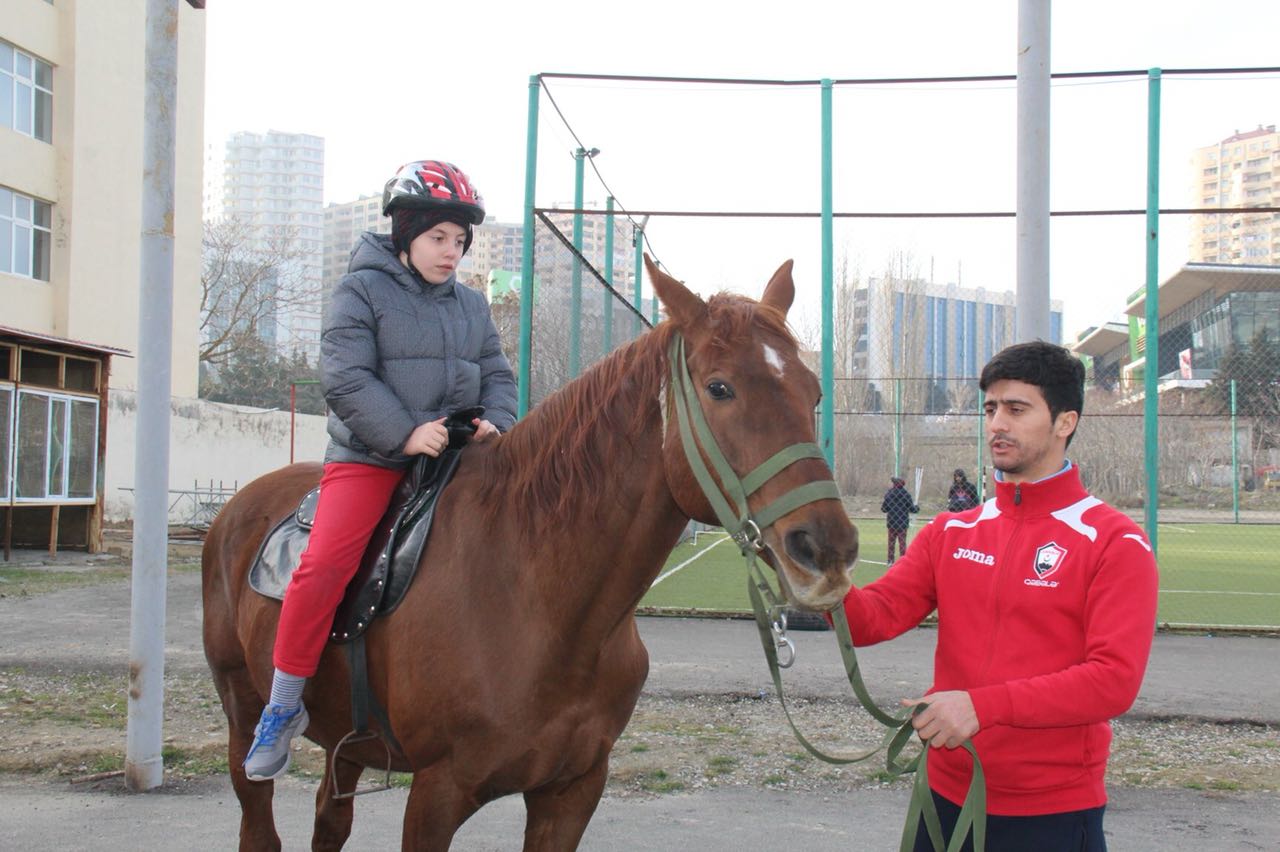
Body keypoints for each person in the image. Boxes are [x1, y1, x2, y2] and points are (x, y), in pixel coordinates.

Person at [243, 160, 518, 781]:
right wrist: (404, 433)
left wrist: (496, 418)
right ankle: (283, 705)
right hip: (372, 458)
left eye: (460, 241)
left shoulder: (472, 305)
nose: (452, 252)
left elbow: (499, 374)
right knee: (324, 566)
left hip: (459, 457)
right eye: (439, 238)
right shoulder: (359, 291)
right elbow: (345, 377)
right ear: (406, 233)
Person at [839, 341, 1158, 851]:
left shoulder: (1113, 540)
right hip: (944, 796)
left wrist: (982, 706)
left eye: (1016, 409)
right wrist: (815, 575)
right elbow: (869, 619)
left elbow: (1114, 681)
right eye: (990, 409)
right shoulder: (952, 531)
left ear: (1064, 422)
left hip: (1050, 810)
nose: (996, 424)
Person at [881, 475, 919, 565]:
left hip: (891, 522)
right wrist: (917, 508)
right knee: (902, 543)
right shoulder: (906, 495)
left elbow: (883, 509)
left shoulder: (889, 494)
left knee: (891, 543)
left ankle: (890, 560)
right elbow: (912, 509)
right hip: (902, 523)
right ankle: (903, 561)